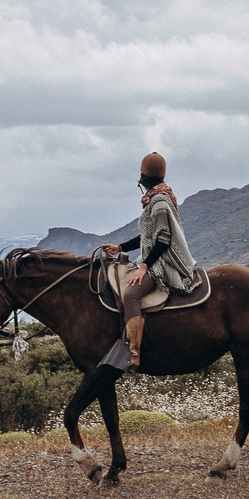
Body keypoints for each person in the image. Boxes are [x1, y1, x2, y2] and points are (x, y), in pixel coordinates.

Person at [98, 151, 200, 370]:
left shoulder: (160, 202)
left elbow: (163, 240)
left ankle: (132, 354)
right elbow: (146, 238)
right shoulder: (156, 199)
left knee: (131, 294)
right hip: (152, 258)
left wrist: (144, 267)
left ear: (143, 177)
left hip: (162, 264)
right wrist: (119, 248)